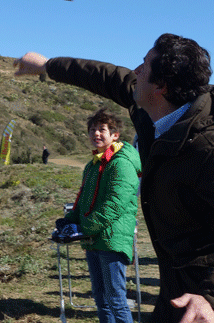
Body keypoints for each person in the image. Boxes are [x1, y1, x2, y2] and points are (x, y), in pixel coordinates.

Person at [15, 33, 214, 323]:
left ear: (161, 86)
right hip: (185, 284)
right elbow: (108, 76)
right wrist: (49, 66)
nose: (135, 71)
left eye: (144, 66)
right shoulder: (155, 109)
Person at [59, 108, 141, 323]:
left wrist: (84, 227)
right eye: (92, 129)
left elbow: (115, 205)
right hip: (93, 239)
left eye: (102, 129)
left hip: (111, 239)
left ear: (115, 135)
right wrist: (68, 222)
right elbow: (83, 200)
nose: (96, 133)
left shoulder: (121, 163)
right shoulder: (93, 164)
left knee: (116, 300)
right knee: (101, 298)